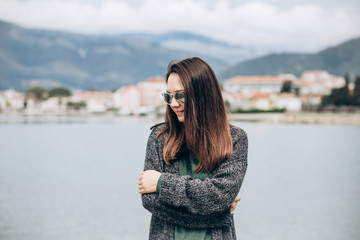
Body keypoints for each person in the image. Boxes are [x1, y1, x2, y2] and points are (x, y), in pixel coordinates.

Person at [138, 57, 248, 239]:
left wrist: (161, 182)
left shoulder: (235, 139)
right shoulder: (159, 137)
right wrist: (218, 213)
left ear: (203, 94)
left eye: (180, 95)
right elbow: (150, 201)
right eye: (169, 96)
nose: (173, 104)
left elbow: (218, 197)